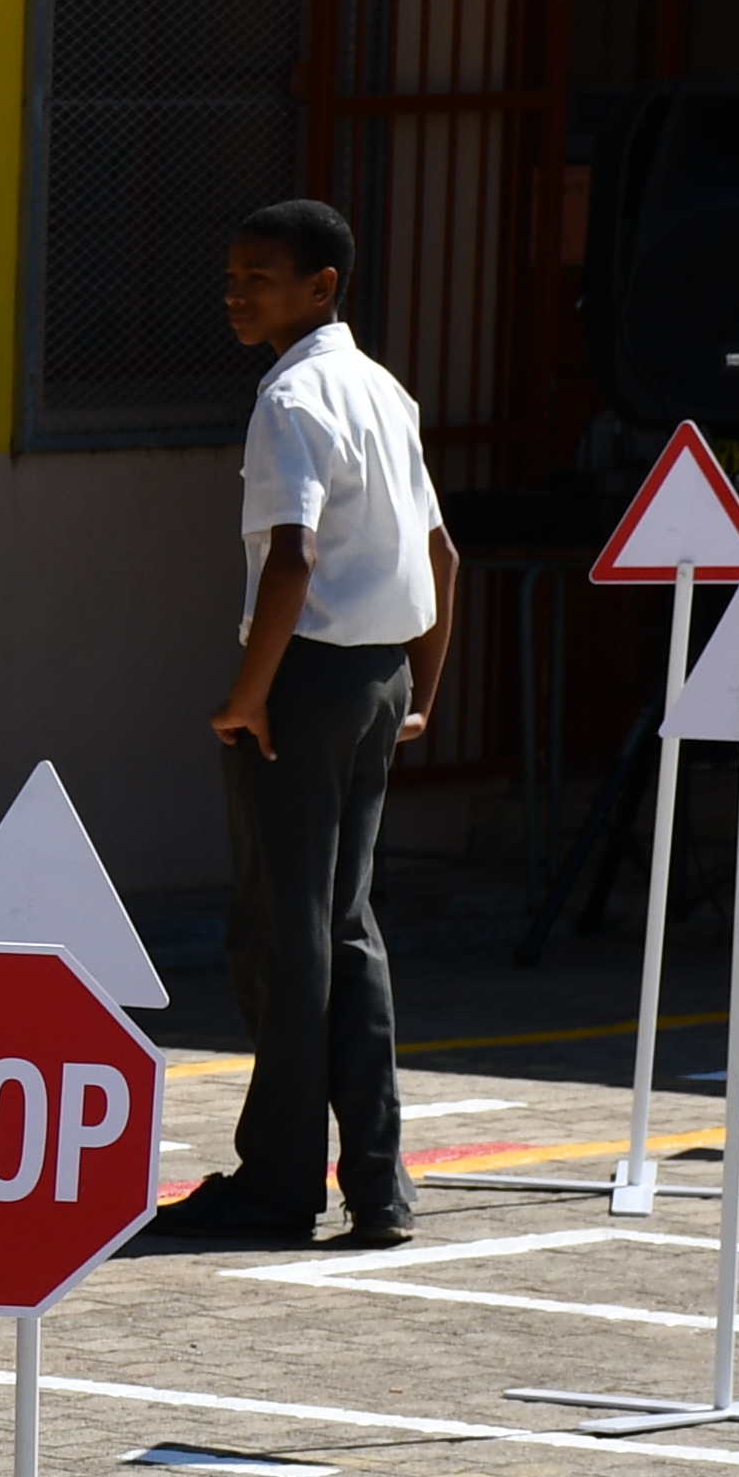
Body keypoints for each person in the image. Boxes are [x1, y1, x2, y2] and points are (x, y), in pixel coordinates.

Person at [170, 200, 456, 1250]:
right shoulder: (384, 389)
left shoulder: (289, 398)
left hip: (305, 683)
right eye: (234, 273)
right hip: (379, 676)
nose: (238, 291)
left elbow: (290, 557)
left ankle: (281, 1181)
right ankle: (379, 1187)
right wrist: (420, 690)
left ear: (322, 286)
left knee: (286, 937)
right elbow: (444, 557)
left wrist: (248, 697)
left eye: (262, 275)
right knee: (344, 929)